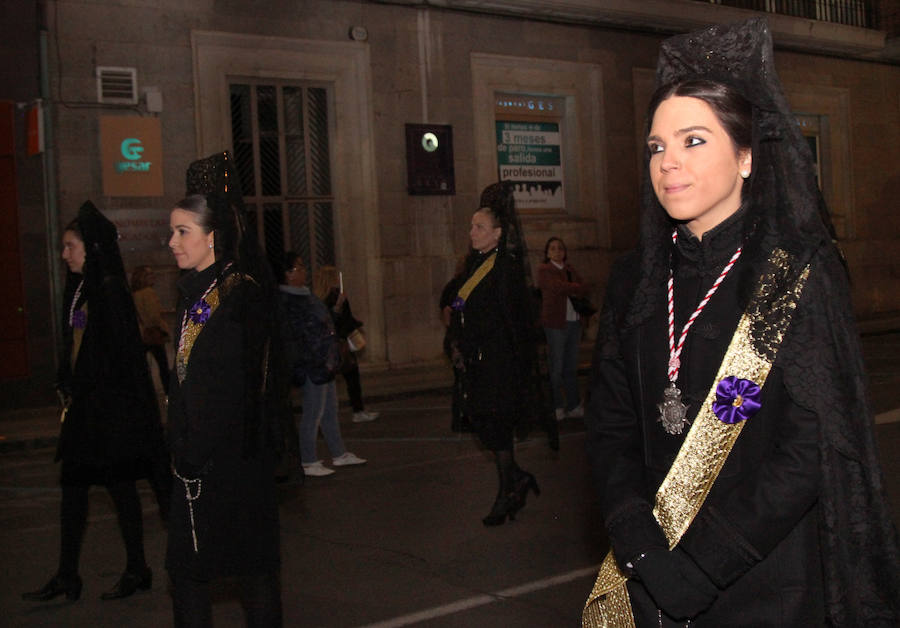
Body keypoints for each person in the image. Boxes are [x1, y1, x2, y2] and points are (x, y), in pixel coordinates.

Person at [583, 19, 900, 627]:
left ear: (748, 155)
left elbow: (809, 445)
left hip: (768, 583)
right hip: (649, 570)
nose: (669, 163)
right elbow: (611, 419)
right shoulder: (637, 280)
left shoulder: (792, 276)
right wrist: (639, 541)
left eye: (694, 141)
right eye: (656, 146)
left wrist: (701, 568)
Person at [165, 153, 288, 627]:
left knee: (251, 573)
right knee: (189, 573)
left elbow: (237, 387)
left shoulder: (241, 293)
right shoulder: (196, 290)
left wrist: (197, 449)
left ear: (212, 236)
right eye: (172, 231)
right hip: (194, 459)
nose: (172, 242)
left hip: (231, 464)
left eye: (182, 232)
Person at [23, 201, 165, 603]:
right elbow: (77, 344)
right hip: (86, 412)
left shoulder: (108, 289)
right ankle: (68, 574)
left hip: (109, 414)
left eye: (70, 246)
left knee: (121, 489)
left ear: (90, 247)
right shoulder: (80, 288)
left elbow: (120, 354)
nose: (64, 254)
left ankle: (137, 567)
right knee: (73, 489)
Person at [447, 181, 541, 526]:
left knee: (497, 428)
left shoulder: (506, 268)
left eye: (479, 227)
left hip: (498, 365)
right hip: (478, 362)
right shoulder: (476, 263)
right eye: (472, 226)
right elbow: (459, 303)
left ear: (498, 233)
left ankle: (506, 493)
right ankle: (516, 478)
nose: (472, 232)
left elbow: (512, 319)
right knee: (485, 427)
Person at [280, 252, 367, 477]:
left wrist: (337, 309)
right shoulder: (288, 301)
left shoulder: (306, 296)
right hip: (312, 364)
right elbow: (302, 335)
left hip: (324, 363)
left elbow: (325, 324)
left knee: (329, 410)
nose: (304, 271)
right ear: (288, 275)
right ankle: (308, 460)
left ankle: (339, 453)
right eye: (298, 268)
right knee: (313, 413)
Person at [313, 266, 379, 423]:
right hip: (340, 344)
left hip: (327, 345)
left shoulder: (317, 300)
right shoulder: (337, 297)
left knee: (329, 382)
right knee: (351, 377)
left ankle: (324, 416)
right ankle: (358, 410)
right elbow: (342, 320)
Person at [537, 236, 588, 421]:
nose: (557, 251)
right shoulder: (545, 270)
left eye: (560, 248)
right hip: (556, 324)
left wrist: (573, 287)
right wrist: (573, 287)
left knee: (570, 367)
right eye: (553, 248)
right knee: (556, 367)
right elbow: (556, 287)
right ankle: (557, 405)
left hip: (573, 323)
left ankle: (573, 404)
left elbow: (584, 287)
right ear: (547, 252)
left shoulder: (569, 269)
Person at [131, 265, 171, 396]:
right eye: (149, 275)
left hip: (142, 334)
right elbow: (153, 316)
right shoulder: (148, 293)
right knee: (163, 365)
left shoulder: (134, 294)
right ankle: (169, 392)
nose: (153, 277)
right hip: (153, 332)